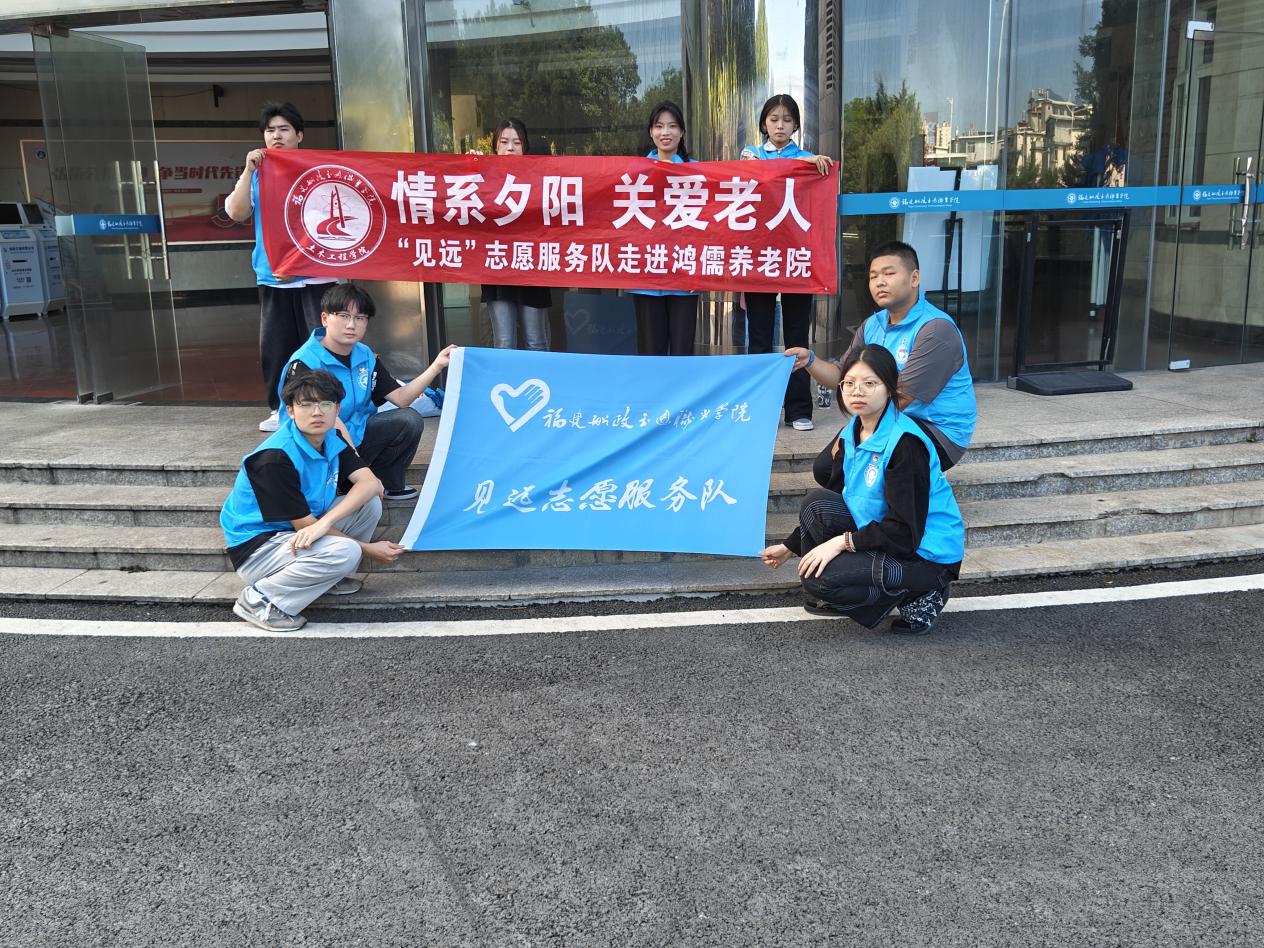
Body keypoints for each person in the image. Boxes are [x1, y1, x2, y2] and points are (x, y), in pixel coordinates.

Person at [760, 344, 965, 634]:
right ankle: (855, 592)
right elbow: (837, 494)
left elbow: (904, 533)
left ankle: (923, 593)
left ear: (890, 388)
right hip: (887, 533)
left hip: (925, 554)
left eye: (869, 383)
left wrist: (840, 543)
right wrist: (789, 546)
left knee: (818, 580)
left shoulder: (906, 444)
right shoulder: (853, 430)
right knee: (816, 504)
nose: (857, 392)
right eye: (849, 383)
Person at [220, 369, 404, 632]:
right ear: (291, 411)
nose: (317, 412)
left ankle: (328, 577)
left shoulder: (331, 437)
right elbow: (304, 525)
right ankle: (260, 600)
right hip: (259, 549)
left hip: (297, 532)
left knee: (368, 503)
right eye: (306, 404)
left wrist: (325, 522)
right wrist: (367, 549)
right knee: (347, 551)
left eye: (325, 404)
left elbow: (368, 482)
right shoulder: (273, 458)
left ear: (337, 409)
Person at [786, 241, 976, 470]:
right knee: (827, 469)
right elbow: (841, 376)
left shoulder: (935, 329)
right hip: (892, 417)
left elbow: (902, 398)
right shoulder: (872, 325)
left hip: (936, 431)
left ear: (914, 278)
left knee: (855, 464)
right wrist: (810, 360)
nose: (880, 282)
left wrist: (850, 432)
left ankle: (919, 486)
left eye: (889, 273)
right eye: (873, 276)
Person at [280, 283, 456, 504]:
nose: (351, 325)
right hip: (317, 444)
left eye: (360, 318)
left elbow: (401, 398)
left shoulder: (364, 354)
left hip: (356, 436)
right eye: (343, 316)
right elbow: (329, 421)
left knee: (408, 419)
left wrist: (437, 365)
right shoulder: (306, 361)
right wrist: (360, 470)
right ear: (325, 319)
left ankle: (387, 483)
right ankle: (350, 483)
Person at [224, 101, 336, 433]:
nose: (276, 135)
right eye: (270, 130)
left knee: (321, 346)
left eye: (284, 129)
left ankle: (326, 405)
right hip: (274, 277)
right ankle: (281, 408)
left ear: (299, 135)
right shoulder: (258, 174)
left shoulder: (320, 170)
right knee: (277, 348)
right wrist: (248, 171)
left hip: (318, 277)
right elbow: (236, 212)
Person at [740, 93, 836, 432]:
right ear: (764, 123)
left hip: (796, 260)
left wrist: (815, 165)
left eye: (787, 120)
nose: (780, 126)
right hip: (759, 260)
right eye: (773, 119)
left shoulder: (809, 160)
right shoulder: (750, 155)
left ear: (795, 125)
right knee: (759, 339)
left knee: (797, 336)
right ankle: (760, 408)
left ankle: (798, 409)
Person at [630, 101, 699, 356]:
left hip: (685, 273)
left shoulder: (698, 171)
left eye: (672, 126)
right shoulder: (634, 172)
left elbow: (710, 226)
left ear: (682, 132)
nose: (665, 132)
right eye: (659, 126)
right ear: (651, 132)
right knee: (651, 353)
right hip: (646, 275)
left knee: (682, 352)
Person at [480, 118, 552, 350]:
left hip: (531, 265)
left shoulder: (541, 179)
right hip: (497, 266)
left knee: (536, 341)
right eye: (504, 142)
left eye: (516, 142)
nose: (510, 148)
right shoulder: (481, 179)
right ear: (495, 146)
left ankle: (540, 377)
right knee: (504, 343)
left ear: (525, 147)